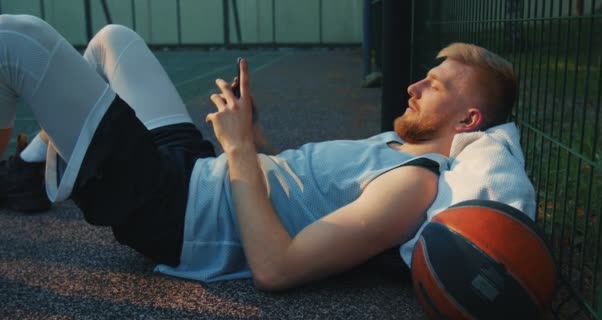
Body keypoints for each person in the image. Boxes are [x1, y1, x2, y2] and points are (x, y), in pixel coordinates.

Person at [0, 14, 526, 290]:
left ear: (469, 120)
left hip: (175, 210)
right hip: (198, 171)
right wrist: (253, 134)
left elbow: (277, 267)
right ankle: (23, 180)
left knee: (20, 42)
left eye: (433, 85)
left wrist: (237, 149)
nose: (413, 86)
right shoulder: (389, 146)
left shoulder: (414, 183)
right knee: (113, 41)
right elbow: (299, 192)